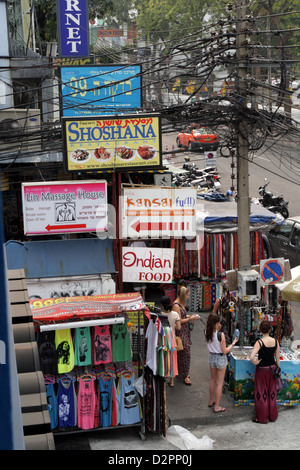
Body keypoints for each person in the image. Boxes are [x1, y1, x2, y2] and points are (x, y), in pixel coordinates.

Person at [205, 313, 238, 413]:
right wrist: (232, 344)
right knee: (220, 383)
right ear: (217, 323)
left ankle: (211, 401)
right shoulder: (221, 335)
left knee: (212, 380)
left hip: (211, 357)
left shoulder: (206, 332)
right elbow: (224, 351)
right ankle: (217, 406)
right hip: (220, 358)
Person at [249, 320, 280, 424]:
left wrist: (255, 362)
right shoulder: (275, 341)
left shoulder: (259, 342)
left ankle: (262, 418)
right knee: (272, 393)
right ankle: (273, 416)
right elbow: (277, 358)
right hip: (273, 369)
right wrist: (278, 370)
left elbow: (251, 357)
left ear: (260, 330)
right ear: (270, 330)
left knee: (262, 394)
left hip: (262, 370)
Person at [172, 286, 200, 386]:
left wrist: (190, 317)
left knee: (183, 352)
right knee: (185, 352)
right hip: (181, 331)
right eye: (187, 295)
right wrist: (189, 319)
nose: (188, 297)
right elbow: (178, 320)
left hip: (185, 330)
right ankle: (184, 375)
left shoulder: (180, 304)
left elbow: (182, 316)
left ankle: (182, 373)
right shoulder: (176, 305)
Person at [161, 295, 181, 387]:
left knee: (163, 358)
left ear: (161, 305)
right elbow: (178, 327)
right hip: (172, 339)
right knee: (172, 359)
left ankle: (163, 376)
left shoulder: (160, 315)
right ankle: (172, 381)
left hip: (162, 340)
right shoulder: (175, 315)